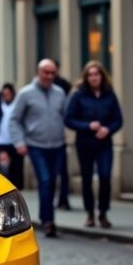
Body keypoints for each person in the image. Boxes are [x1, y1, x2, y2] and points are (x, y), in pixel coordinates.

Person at [10, 59, 67, 237]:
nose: (49, 76)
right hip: (36, 145)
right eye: (46, 72)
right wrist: (19, 142)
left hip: (57, 144)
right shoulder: (26, 93)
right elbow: (14, 120)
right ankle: (49, 222)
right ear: (38, 72)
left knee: (52, 182)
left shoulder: (60, 93)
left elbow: (65, 116)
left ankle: (45, 216)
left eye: (52, 73)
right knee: (45, 179)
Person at [64, 61, 124, 229]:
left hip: (104, 143)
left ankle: (103, 212)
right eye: (90, 75)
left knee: (105, 176)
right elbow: (69, 119)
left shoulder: (109, 95)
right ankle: (90, 213)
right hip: (85, 143)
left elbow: (118, 119)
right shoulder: (78, 95)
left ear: (102, 76)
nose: (93, 78)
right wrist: (88, 126)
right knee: (87, 178)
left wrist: (108, 129)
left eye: (96, 74)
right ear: (86, 77)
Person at [0, 84, 24, 189]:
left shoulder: (17, 106)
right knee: (2, 167)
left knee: (16, 168)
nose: (6, 96)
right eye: (4, 94)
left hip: (14, 141)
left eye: (8, 94)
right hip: (0, 141)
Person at [52, 61, 73, 211]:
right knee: (49, 176)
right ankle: (52, 199)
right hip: (42, 138)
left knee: (63, 171)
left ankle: (63, 198)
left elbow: (68, 110)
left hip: (59, 136)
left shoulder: (64, 86)